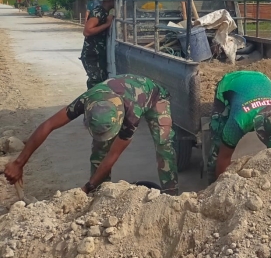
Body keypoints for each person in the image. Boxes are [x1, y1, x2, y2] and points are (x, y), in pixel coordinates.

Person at [3, 74, 179, 195]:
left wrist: (86, 187)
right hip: (122, 93)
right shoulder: (87, 99)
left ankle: (172, 198)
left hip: (155, 97)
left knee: (164, 146)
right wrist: (19, 163)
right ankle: (99, 195)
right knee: (99, 150)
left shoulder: (131, 114)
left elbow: (114, 154)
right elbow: (48, 125)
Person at [206, 71, 271, 182]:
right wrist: (221, 185)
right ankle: (211, 181)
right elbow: (224, 157)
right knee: (218, 139)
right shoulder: (239, 120)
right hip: (231, 82)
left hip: (261, 77)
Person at [81, 0, 115, 90]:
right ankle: (90, 103)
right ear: (109, 0)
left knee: (101, 81)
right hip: (92, 54)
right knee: (96, 83)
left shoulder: (104, 13)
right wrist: (107, 24)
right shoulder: (98, 12)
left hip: (97, 53)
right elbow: (87, 31)